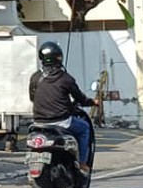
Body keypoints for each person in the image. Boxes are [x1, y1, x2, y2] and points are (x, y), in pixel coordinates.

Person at [29, 41, 96, 173]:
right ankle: (82, 163)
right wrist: (92, 102)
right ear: (59, 57)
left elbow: (32, 97)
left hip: (38, 122)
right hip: (62, 121)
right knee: (84, 129)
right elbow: (80, 99)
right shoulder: (66, 78)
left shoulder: (35, 77)